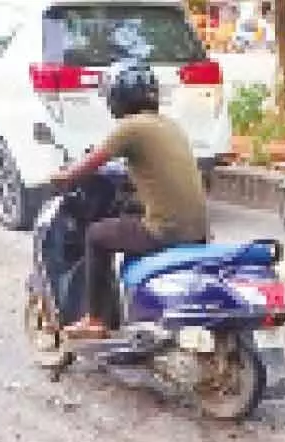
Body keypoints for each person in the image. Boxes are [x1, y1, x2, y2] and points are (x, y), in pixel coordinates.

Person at [49, 59, 209, 340]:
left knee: (97, 235)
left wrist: (60, 178)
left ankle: (95, 320)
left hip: (166, 231)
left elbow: (88, 165)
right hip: (198, 231)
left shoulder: (130, 128)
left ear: (117, 97)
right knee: (129, 219)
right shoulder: (170, 125)